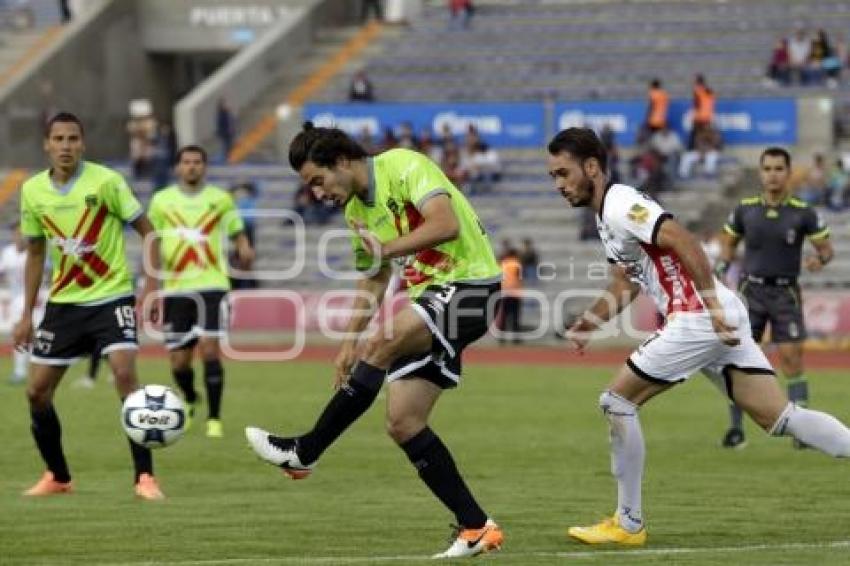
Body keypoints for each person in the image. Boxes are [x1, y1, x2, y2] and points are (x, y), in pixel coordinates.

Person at [547, 127, 850, 545]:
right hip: (717, 313)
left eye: (564, 174)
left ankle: (628, 523)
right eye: (554, 177)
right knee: (780, 419)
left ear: (592, 167)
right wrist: (591, 321)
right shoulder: (607, 215)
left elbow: (682, 238)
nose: (559, 185)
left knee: (617, 401)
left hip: (698, 316)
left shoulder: (619, 203)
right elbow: (627, 280)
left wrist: (709, 305)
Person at [245, 123, 505, 559]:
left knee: (384, 341)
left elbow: (446, 224)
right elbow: (375, 277)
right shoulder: (355, 214)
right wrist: (349, 342)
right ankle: (477, 527)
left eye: (317, 180)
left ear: (342, 162)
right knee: (403, 421)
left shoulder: (402, 164)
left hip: (470, 287)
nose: (316, 192)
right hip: (433, 297)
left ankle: (305, 451)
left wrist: (387, 250)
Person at [14, 112, 165, 499]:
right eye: (59, 139)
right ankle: (59, 477)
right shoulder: (32, 191)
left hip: (111, 297)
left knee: (124, 374)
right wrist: (26, 315)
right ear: (47, 144)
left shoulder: (107, 181)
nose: (66, 146)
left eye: (73, 139)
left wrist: (151, 289)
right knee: (36, 392)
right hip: (63, 304)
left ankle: (144, 478)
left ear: (83, 144)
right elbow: (34, 254)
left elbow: (150, 234)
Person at [714, 147, 834, 449]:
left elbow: (826, 249)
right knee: (738, 361)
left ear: (789, 172)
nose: (772, 175)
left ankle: (803, 433)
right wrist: (721, 269)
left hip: (785, 292)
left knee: (792, 360)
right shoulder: (745, 209)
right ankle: (736, 430)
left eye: (779, 169)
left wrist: (819, 261)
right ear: (760, 173)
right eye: (767, 169)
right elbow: (728, 244)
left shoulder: (803, 212)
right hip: (749, 292)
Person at [147, 145, 255, 439]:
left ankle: (214, 419)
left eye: (197, 162)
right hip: (175, 289)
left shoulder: (220, 199)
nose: (192, 167)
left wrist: (244, 248)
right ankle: (191, 397)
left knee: (209, 348)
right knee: (179, 361)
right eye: (187, 162)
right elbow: (152, 244)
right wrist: (151, 289)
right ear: (178, 167)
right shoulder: (161, 201)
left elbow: (237, 232)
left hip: (212, 285)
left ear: (205, 167)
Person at [1, 221, 28, 384]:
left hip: (33, 300)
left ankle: (21, 371)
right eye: (15, 233)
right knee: (20, 335)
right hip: (15, 300)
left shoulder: (33, 252)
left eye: (20, 233)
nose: (18, 237)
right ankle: (22, 370)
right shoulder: (8, 252)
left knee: (26, 336)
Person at [497, 247, 522, 345]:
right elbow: (519, 277)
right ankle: (516, 339)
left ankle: (501, 338)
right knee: (515, 317)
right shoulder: (516, 263)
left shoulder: (502, 263)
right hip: (515, 293)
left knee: (503, 316)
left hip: (504, 293)